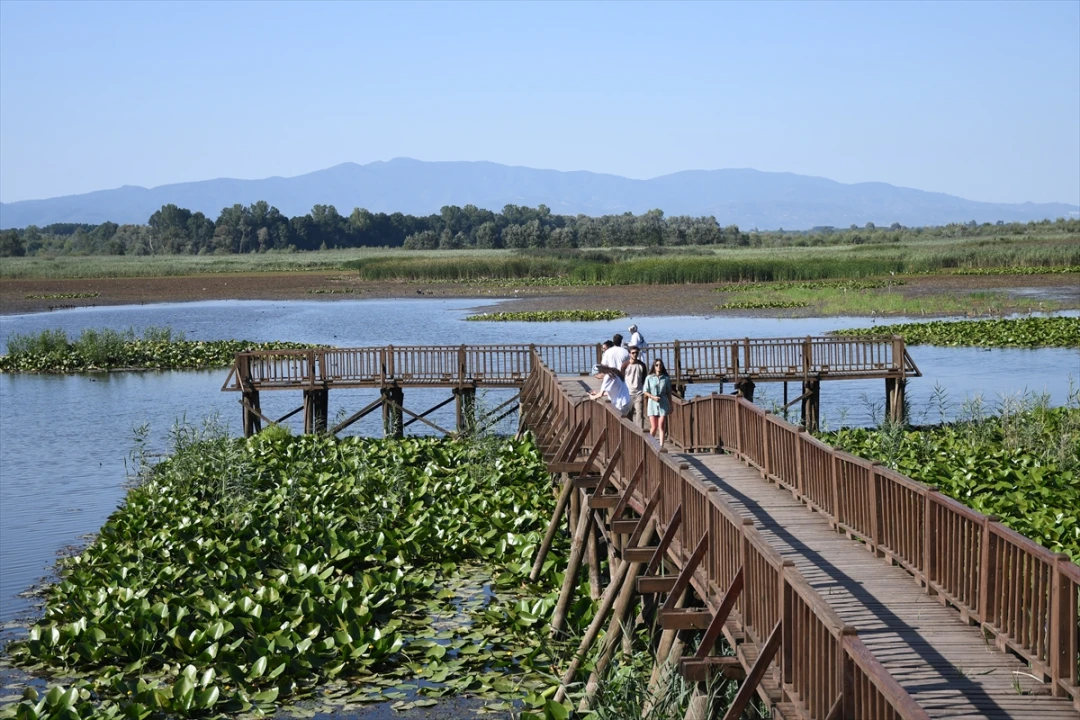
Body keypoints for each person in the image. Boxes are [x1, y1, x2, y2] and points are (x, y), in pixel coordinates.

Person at [644, 358, 672, 446]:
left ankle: (661, 447)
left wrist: (670, 405)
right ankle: (649, 445)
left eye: (660, 365)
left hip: (663, 403)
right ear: (654, 366)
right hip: (652, 404)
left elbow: (668, 393)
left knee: (661, 426)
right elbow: (645, 391)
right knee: (654, 427)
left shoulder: (666, 378)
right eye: (657, 365)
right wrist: (652, 397)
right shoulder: (649, 378)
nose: (658, 366)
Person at [623, 345, 647, 428]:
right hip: (628, 394)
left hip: (638, 394)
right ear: (629, 354)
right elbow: (621, 378)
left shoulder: (642, 365)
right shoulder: (625, 365)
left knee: (639, 414)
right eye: (633, 353)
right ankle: (630, 432)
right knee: (628, 415)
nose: (635, 354)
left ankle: (641, 434)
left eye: (636, 353)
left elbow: (644, 379)